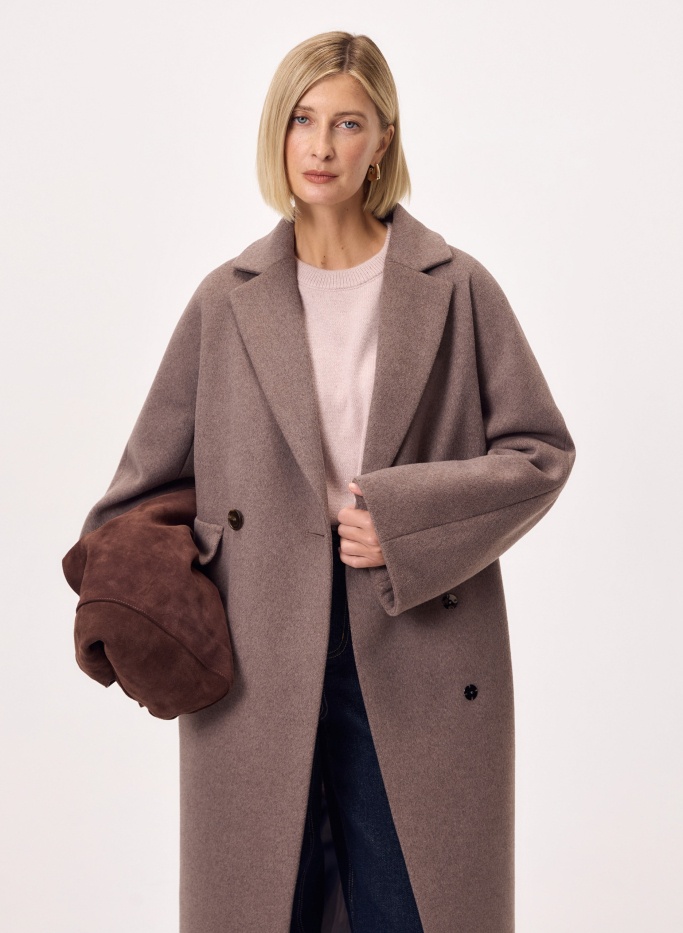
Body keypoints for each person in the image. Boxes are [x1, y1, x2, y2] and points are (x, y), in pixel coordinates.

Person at [77, 31, 575, 933]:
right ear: (277, 131)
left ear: (382, 140)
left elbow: (539, 452)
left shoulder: (456, 287)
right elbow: (135, 495)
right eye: (302, 120)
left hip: (419, 644)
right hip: (258, 658)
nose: (320, 146)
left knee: (412, 910)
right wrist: (156, 600)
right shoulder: (225, 300)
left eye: (347, 123)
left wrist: (404, 523)